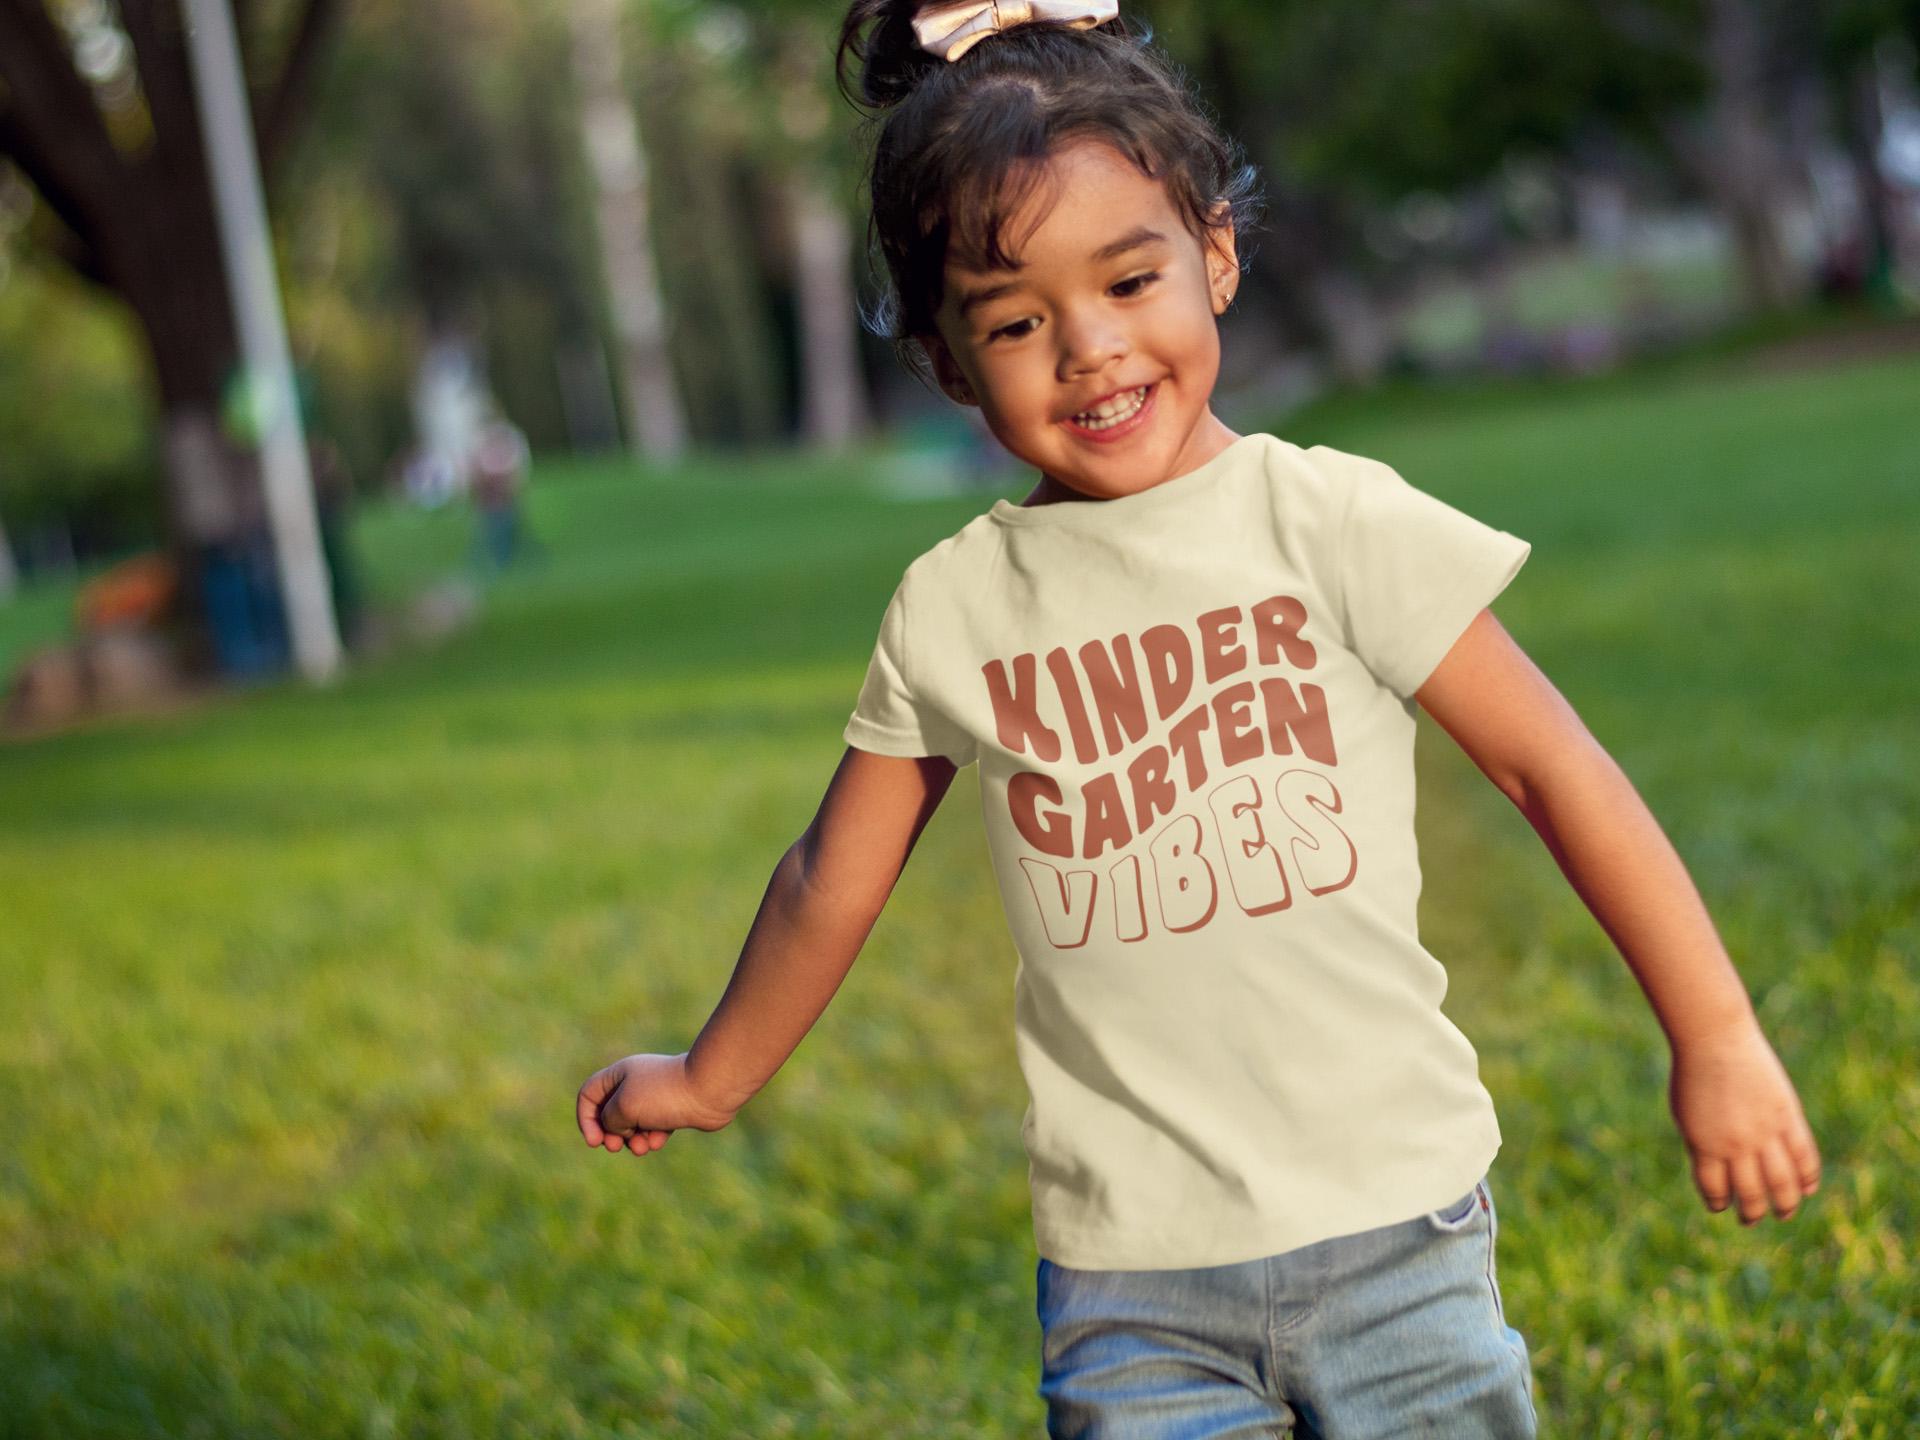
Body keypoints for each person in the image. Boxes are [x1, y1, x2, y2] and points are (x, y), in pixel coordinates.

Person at [574, 4, 1823, 1435]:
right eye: (1018, 321)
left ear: (1215, 255)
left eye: (1129, 278)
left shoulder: (1327, 519)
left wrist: (1715, 1031)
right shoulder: (956, 607)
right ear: (945, 362)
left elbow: (1552, 769)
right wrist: (711, 1077)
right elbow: (826, 877)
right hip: (1132, 1287)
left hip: (1397, 1230)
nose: (1090, 350)